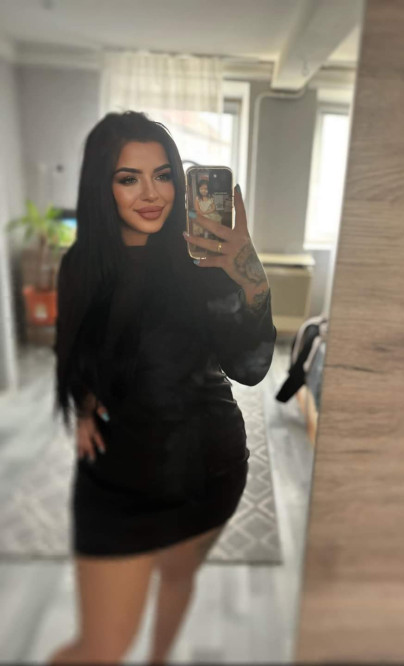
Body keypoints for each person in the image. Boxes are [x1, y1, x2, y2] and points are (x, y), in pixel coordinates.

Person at [48, 110, 276, 664]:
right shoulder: (80, 266)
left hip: (209, 469)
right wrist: (84, 409)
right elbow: (76, 352)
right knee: (101, 646)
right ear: (102, 187)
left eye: (164, 175)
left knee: (178, 578)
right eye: (129, 178)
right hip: (117, 480)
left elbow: (249, 367)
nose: (152, 194)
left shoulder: (204, 261)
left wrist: (249, 276)